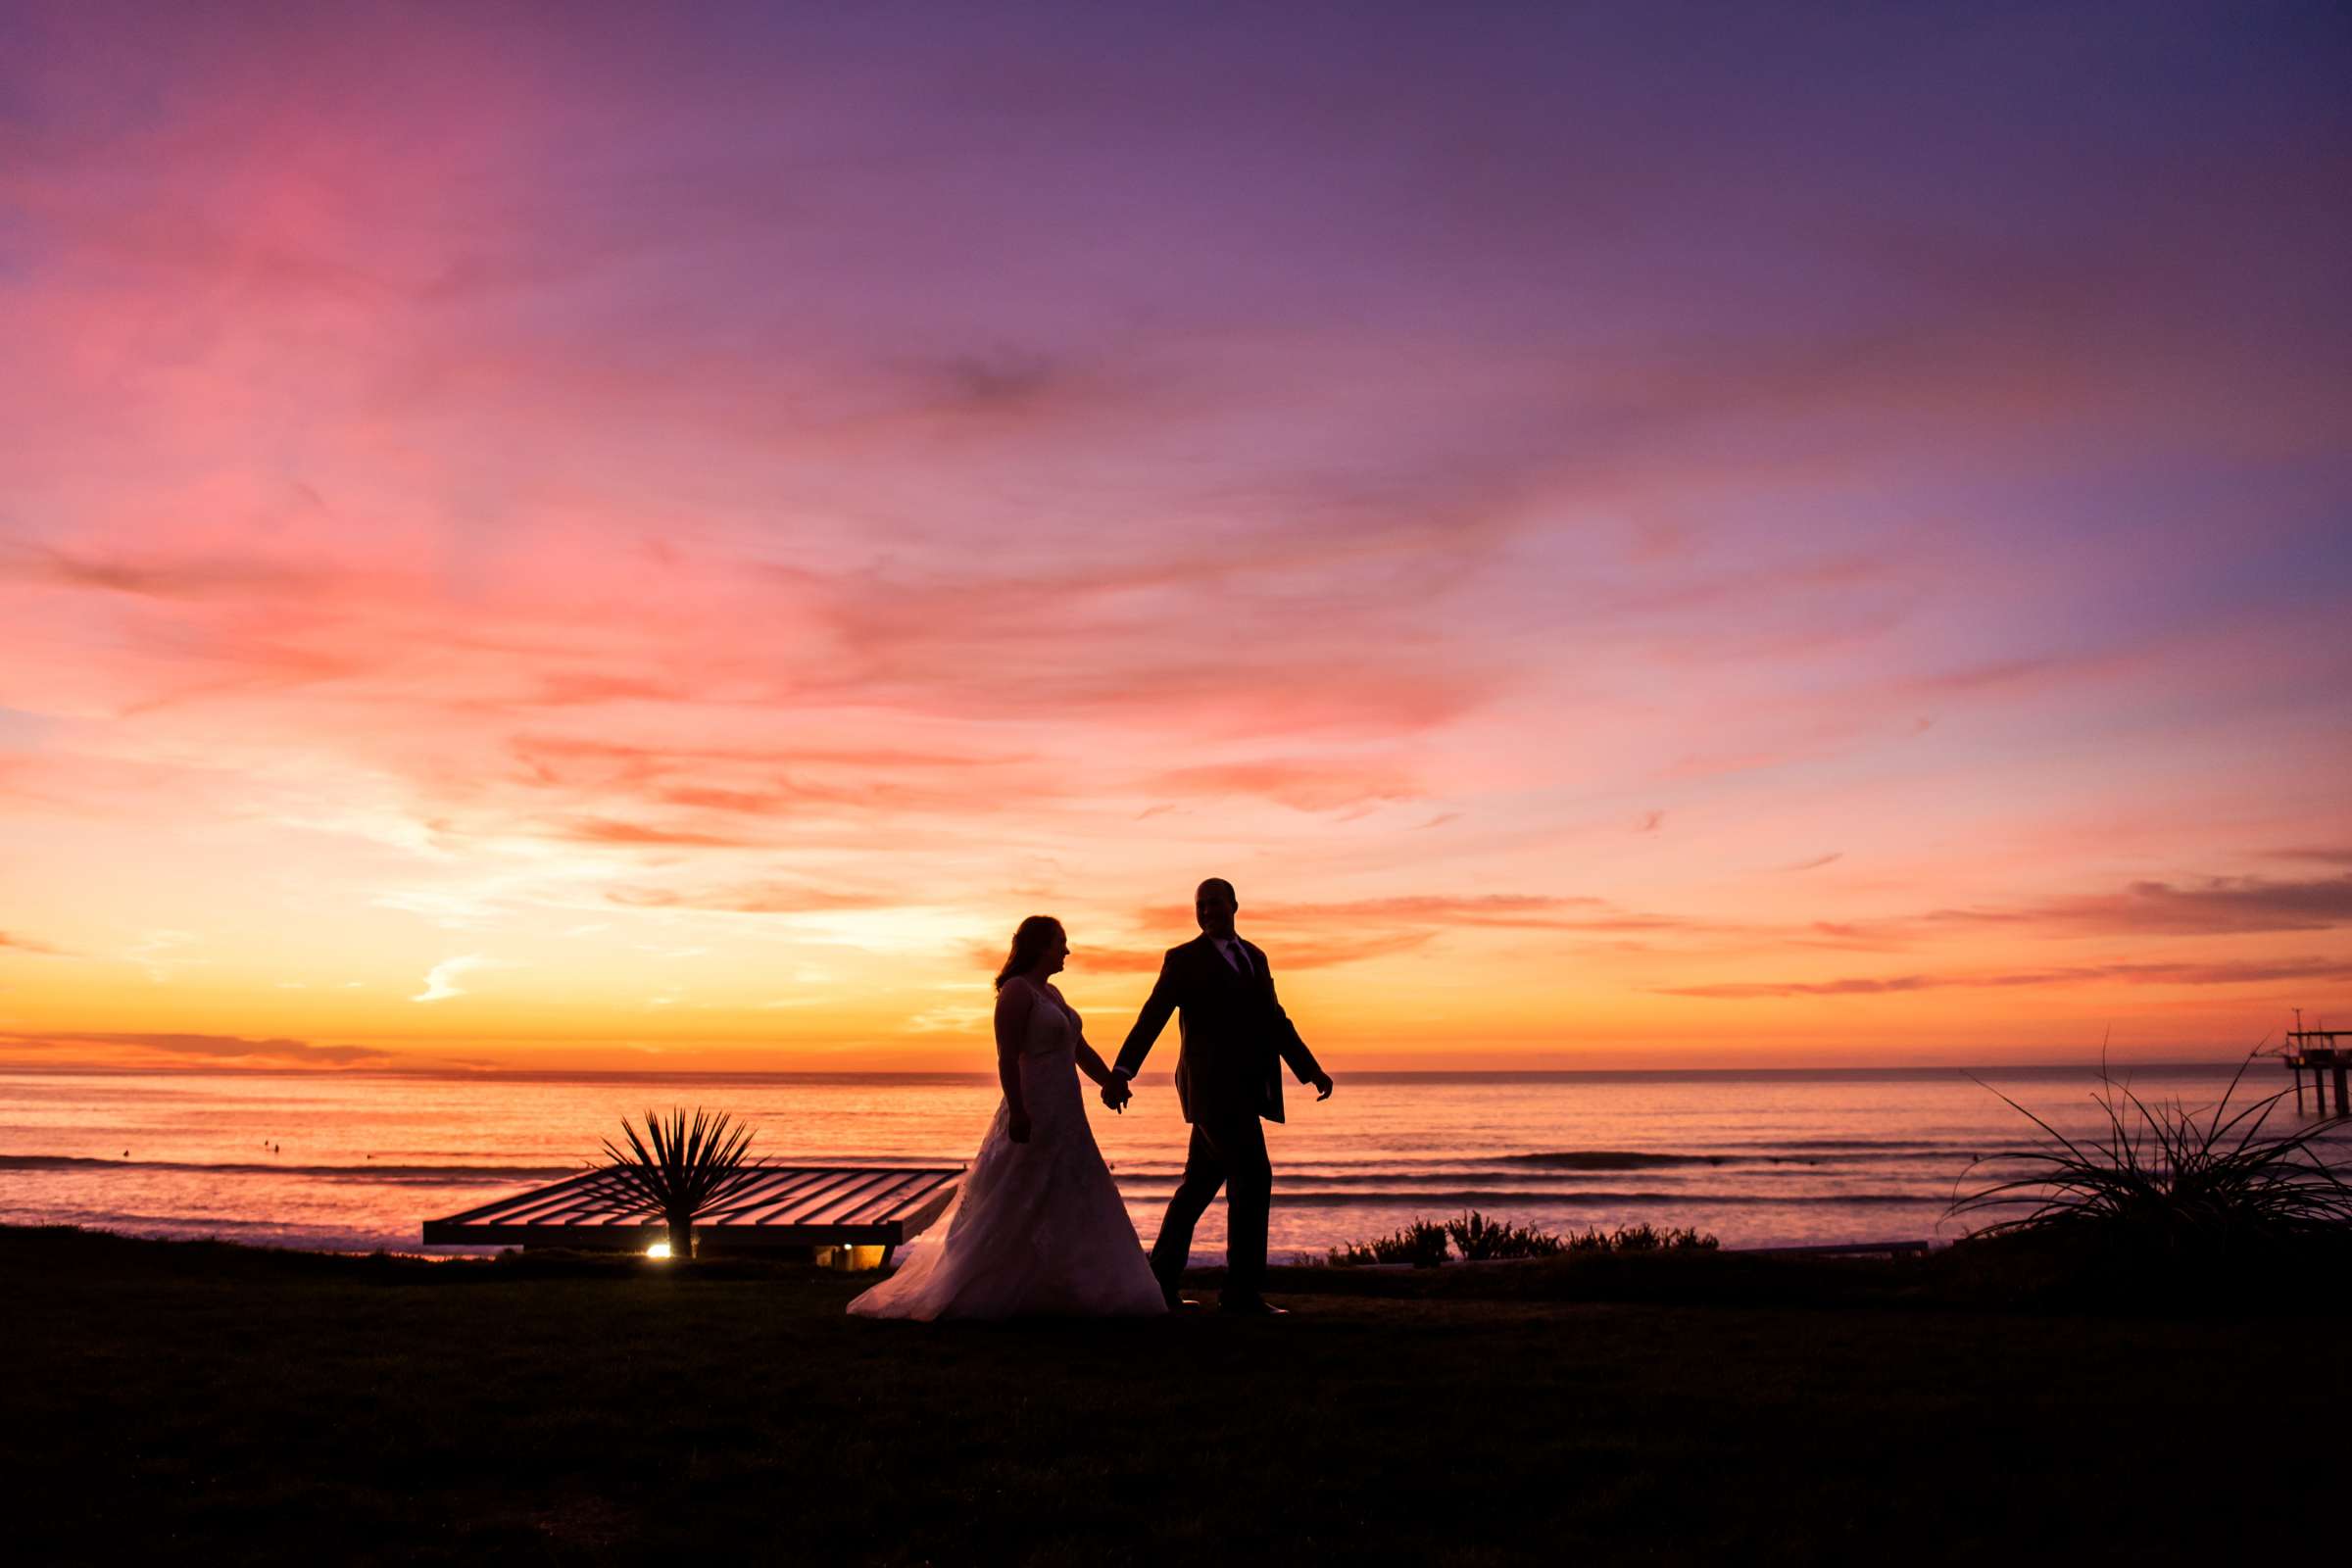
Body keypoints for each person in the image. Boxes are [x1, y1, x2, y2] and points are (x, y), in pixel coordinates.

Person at [849, 915, 1166, 1321]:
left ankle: (1068, 1287)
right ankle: (985, 1287)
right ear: (1040, 946)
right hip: (1033, 1110)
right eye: (1060, 943)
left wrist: (1110, 1081)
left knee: (1070, 1197)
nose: (1066, 951)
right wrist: (1017, 1110)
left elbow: (1079, 1048)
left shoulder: (1052, 993)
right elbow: (1006, 1056)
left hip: (1067, 1116)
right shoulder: (1016, 993)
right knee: (1016, 1196)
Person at [1104, 878, 1333, 1314]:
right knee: (1254, 1178)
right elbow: (1152, 1016)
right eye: (1200, 905)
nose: (1207, 911)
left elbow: (1275, 1019)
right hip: (1210, 1093)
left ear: (1234, 905)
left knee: (1198, 1187)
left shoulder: (1255, 957)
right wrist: (1122, 1070)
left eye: (1214, 903)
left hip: (1247, 1092)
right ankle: (1241, 1296)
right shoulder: (1184, 959)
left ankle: (1159, 1285)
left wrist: (1309, 1069)